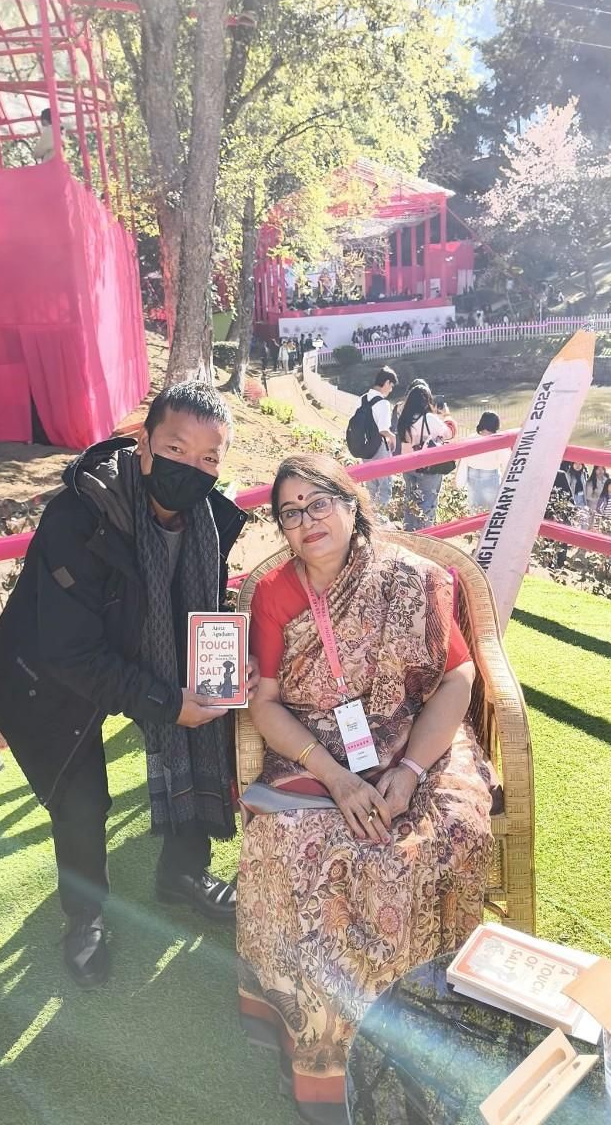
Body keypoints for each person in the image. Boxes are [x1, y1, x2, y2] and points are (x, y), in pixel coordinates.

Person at [237, 455, 495, 1123]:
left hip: (418, 739)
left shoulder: (414, 578)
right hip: (318, 748)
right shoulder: (275, 594)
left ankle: (432, 1020)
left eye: (318, 502)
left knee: (451, 830)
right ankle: (328, 1055)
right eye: (290, 512)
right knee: (300, 846)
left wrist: (409, 772)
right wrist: (336, 776)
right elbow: (266, 702)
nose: (306, 520)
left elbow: (458, 679)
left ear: (353, 504)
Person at [0, 382, 253, 988]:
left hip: (146, 649)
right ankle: (84, 916)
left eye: (209, 457)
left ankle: (182, 871)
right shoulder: (80, 515)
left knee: (203, 729)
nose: (192, 467)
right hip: (49, 674)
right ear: (144, 445)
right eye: (176, 449)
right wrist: (165, 702)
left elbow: (204, 606)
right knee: (82, 799)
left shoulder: (209, 518)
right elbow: (70, 654)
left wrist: (231, 662)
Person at [396, 381, 452, 531]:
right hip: (427, 467)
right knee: (428, 502)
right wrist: (446, 416)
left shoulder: (404, 420)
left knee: (410, 501)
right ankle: (425, 534)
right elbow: (448, 433)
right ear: (426, 401)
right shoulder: (429, 418)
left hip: (408, 466)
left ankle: (409, 532)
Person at [361, 366, 399, 510]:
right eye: (391, 386)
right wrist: (392, 437)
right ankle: (381, 514)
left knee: (371, 485)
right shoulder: (383, 403)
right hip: (378, 448)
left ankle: (371, 514)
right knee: (384, 485)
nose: (391, 390)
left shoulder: (362, 399)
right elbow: (383, 429)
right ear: (387, 382)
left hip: (364, 448)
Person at [455, 412, 510, 513]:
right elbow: (507, 463)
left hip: (472, 476)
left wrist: (459, 481)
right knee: (490, 512)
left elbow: (463, 460)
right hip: (491, 477)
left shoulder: (470, 438)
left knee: (474, 510)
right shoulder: (498, 441)